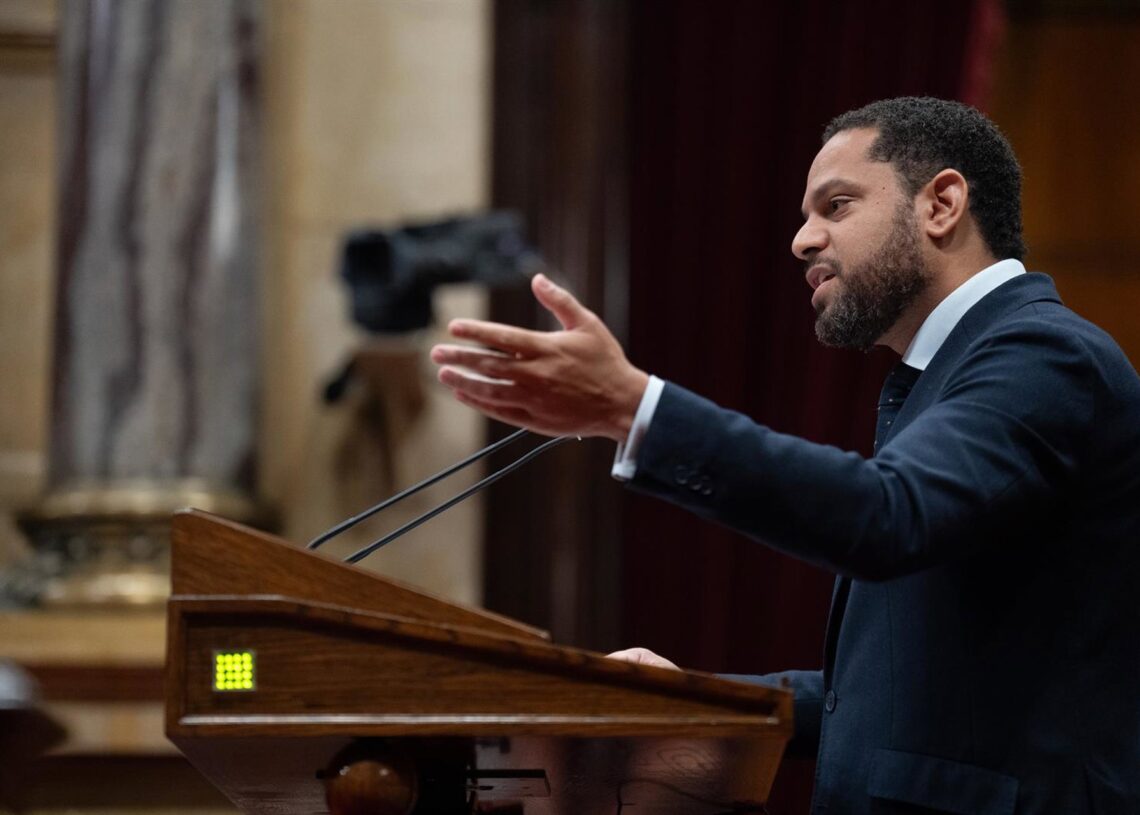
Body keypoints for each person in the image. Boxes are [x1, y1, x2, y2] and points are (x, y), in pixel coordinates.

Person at [430, 97, 1140, 814]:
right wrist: (687, 698)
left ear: (942, 203)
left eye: (836, 205)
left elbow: (886, 514)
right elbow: (882, 688)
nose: (803, 240)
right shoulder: (948, 372)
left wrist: (635, 409)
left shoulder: (1045, 355)